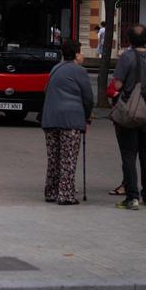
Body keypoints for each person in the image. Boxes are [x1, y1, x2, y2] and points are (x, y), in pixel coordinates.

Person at [111, 24, 146, 210]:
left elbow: (117, 85)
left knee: (129, 154)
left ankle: (132, 197)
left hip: (131, 111)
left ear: (129, 39)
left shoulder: (127, 56)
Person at [41, 39, 94, 205]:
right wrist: (87, 117)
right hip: (71, 119)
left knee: (54, 157)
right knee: (68, 157)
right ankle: (65, 194)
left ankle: (51, 191)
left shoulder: (55, 68)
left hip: (51, 118)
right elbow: (88, 98)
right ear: (77, 54)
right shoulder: (80, 71)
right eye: (81, 51)